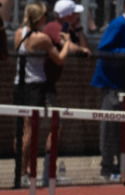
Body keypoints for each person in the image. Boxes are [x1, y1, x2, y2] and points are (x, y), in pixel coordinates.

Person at [90, 0, 125, 182]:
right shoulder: (117, 25)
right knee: (110, 126)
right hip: (111, 84)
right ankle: (106, 168)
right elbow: (104, 50)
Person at [13, 2, 72, 179]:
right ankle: (25, 170)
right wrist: (67, 42)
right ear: (40, 18)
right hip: (35, 85)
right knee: (30, 129)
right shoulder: (42, 39)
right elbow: (60, 59)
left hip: (19, 84)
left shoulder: (18, 33)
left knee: (20, 129)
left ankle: (21, 169)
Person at [41, 0, 90, 185]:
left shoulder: (69, 30)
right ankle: (39, 174)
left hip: (50, 84)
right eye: (75, 14)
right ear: (68, 15)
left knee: (55, 125)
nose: (77, 16)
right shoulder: (54, 27)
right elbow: (66, 46)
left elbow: (84, 48)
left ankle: (48, 173)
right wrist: (78, 48)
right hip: (41, 85)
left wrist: (78, 31)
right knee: (46, 126)